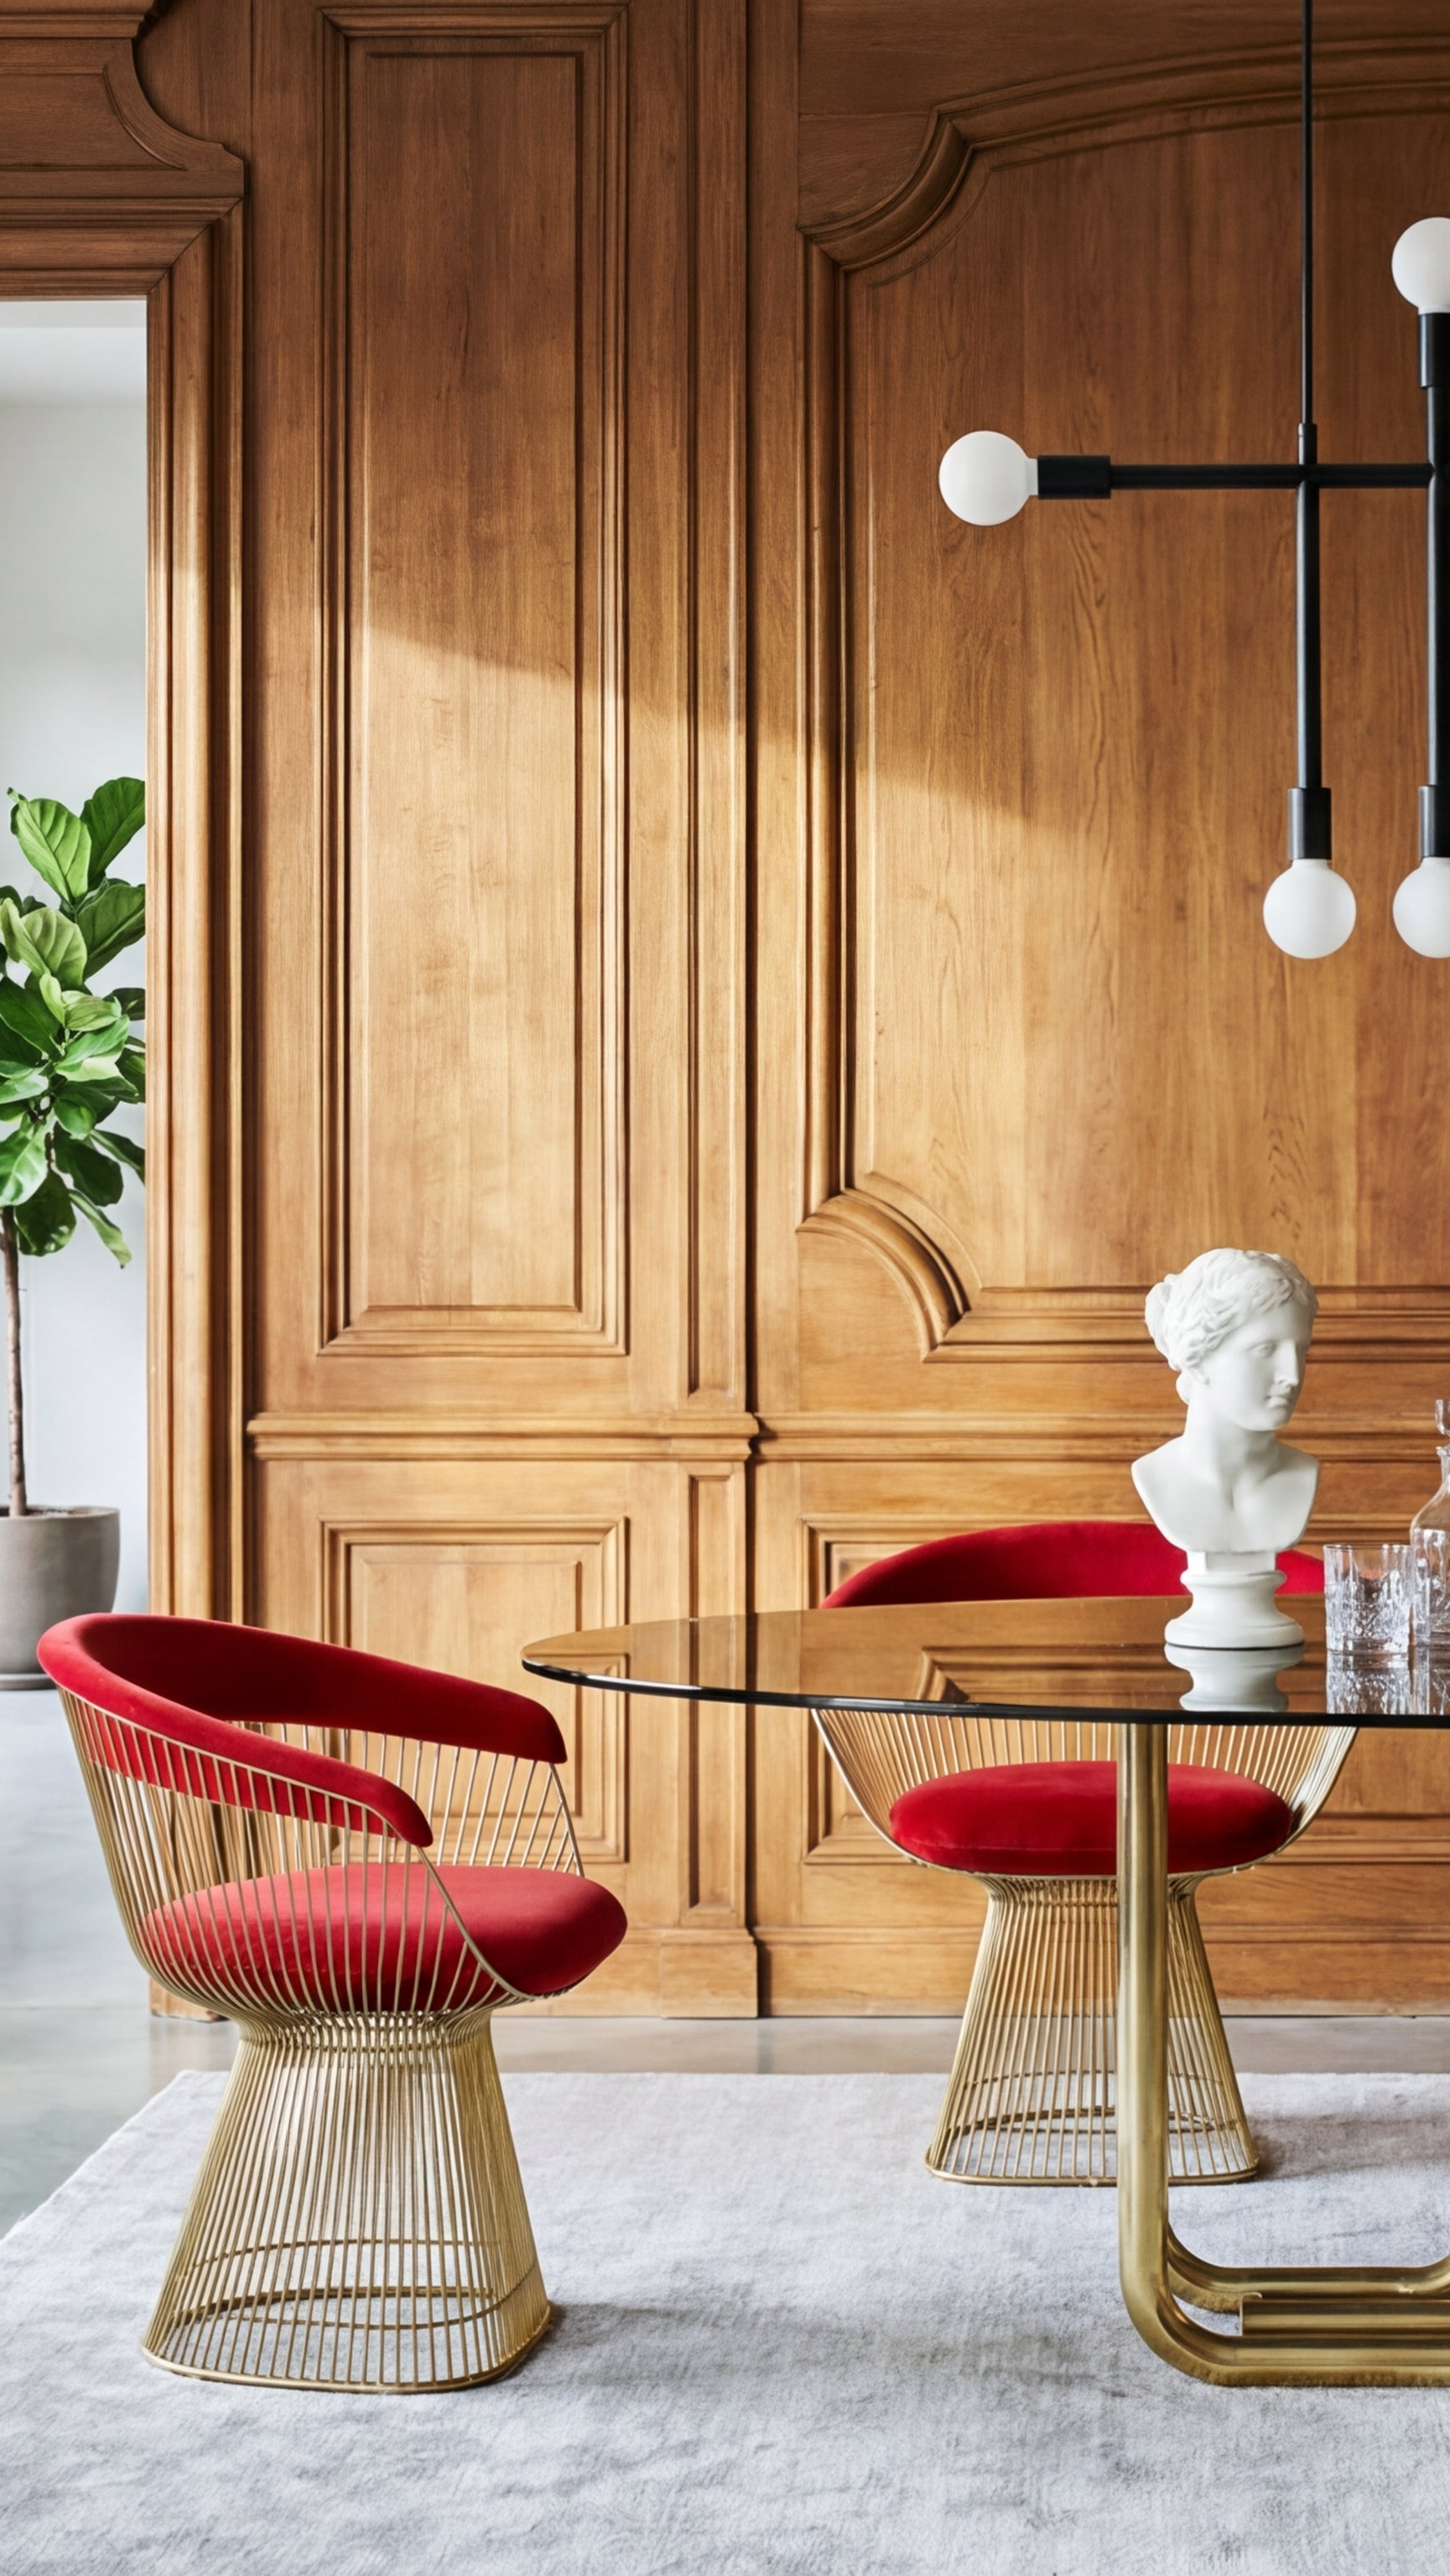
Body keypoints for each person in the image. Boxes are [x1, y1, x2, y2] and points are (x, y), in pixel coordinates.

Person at [1131, 1248, 1318, 1556]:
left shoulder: (1302, 1473)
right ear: (1198, 1359)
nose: (1292, 1375)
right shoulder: (1157, 1477)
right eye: (1265, 1349)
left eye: (1301, 1350)